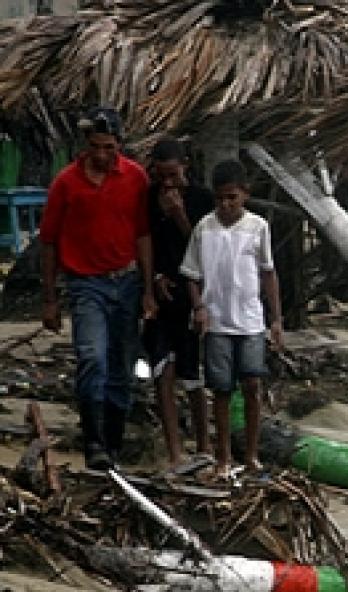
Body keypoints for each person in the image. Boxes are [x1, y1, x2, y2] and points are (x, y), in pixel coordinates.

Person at [39, 107, 156, 471]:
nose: (102, 155)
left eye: (108, 147)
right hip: (85, 282)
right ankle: (94, 441)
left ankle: (114, 442)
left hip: (126, 280)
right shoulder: (66, 183)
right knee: (92, 356)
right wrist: (50, 299)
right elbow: (48, 242)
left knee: (121, 363)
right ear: (85, 146)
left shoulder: (135, 178)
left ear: (119, 145)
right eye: (95, 148)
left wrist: (148, 289)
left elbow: (143, 235)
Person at [179, 160, 282, 479]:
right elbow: (191, 275)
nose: (226, 205)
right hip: (217, 322)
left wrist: (276, 319)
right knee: (221, 390)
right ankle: (223, 456)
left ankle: (251, 455)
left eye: (232, 198)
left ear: (245, 196)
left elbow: (268, 273)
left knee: (252, 383)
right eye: (221, 198)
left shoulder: (257, 227)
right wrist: (198, 307)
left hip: (251, 320)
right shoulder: (204, 228)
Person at [144, 138, 213, 469]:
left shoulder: (202, 199)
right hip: (160, 296)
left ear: (184, 165)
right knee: (163, 373)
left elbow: (205, 249)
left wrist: (179, 215)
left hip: (192, 296)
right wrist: (154, 279)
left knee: (193, 374)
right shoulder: (147, 198)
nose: (167, 183)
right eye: (161, 176)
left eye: (172, 175)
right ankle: (174, 452)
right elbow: (144, 243)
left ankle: (203, 446)